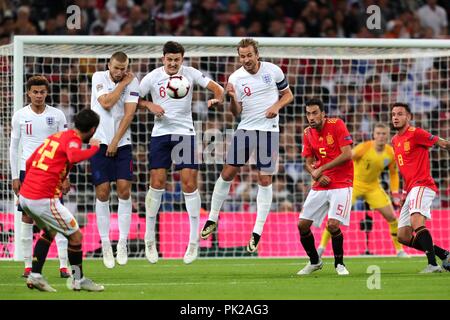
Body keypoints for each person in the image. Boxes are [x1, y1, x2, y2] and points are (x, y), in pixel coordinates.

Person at [200, 38, 294, 253]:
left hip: (269, 131)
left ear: (256, 54)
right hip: (246, 129)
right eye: (242, 56)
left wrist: (276, 106)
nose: (246, 59)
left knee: (265, 178)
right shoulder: (235, 78)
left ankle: (257, 231)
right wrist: (232, 97)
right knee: (227, 173)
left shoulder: (274, 71)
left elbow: (288, 95)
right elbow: (236, 113)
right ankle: (212, 218)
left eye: (249, 55)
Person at [139, 41, 224, 264]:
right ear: (163, 59)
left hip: (185, 132)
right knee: (156, 182)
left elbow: (217, 88)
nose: (174, 63)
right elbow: (133, 99)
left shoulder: (191, 73)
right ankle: (149, 239)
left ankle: (193, 241)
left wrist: (216, 97)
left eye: (177, 59)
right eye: (170, 59)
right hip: (160, 134)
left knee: (189, 183)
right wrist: (149, 105)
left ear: (182, 59)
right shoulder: (152, 77)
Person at [19, 108, 104, 292]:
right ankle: (78, 280)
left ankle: (35, 276)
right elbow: (74, 156)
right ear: (93, 130)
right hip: (42, 198)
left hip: (26, 195)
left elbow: (28, 162)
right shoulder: (73, 140)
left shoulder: (57, 136)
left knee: (49, 231)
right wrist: (94, 148)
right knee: (76, 236)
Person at [10, 75, 70, 278]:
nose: (38, 95)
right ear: (28, 93)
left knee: (58, 216)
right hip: (28, 173)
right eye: (35, 92)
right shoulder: (19, 115)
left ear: (47, 93)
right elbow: (14, 147)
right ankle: (28, 267)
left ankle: (63, 266)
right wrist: (14, 176)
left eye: (42, 92)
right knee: (27, 218)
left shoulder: (58, 115)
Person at [317, 123, 408, 257]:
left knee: (392, 217)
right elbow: (346, 158)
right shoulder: (364, 148)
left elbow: (394, 173)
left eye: (384, 134)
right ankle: (321, 248)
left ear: (388, 136)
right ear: (374, 135)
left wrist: (395, 192)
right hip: (354, 184)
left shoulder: (390, 152)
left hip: (373, 187)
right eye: (378, 133)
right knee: (335, 217)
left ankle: (399, 250)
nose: (381, 137)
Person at [90, 51, 139, 268]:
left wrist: (115, 141)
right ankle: (105, 242)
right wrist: (122, 84)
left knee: (124, 190)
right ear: (109, 64)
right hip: (98, 141)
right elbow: (107, 102)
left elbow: (129, 114)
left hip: (122, 142)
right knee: (102, 192)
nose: (120, 72)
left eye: (123, 68)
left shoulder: (133, 81)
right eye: (116, 68)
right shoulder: (98, 77)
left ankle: (122, 241)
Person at [391, 102, 450, 273]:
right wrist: (403, 194)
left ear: (408, 117)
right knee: (403, 235)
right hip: (410, 189)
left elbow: (442, 143)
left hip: (423, 184)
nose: (395, 117)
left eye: (400, 114)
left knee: (417, 222)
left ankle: (432, 265)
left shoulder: (416, 133)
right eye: (393, 114)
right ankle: (444, 254)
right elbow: (404, 170)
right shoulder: (395, 141)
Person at [297, 98, 353, 276]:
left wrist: (322, 169)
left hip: (342, 182)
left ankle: (339, 264)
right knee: (302, 225)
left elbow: (347, 154)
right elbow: (307, 162)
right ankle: (315, 261)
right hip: (321, 184)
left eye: (314, 113)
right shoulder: (307, 133)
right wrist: (318, 175)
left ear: (323, 114)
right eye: (308, 113)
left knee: (333, 225)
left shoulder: (337, 124)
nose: (311, 117)